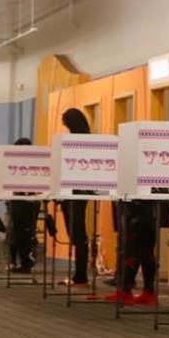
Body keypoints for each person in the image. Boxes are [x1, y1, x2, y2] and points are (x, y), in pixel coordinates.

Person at [60, 108, 92, 286]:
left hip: (75, 193)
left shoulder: (75, 142)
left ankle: (80, 274)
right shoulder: (85, 140)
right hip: (77, 192)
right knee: (77, 233)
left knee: (78, 233)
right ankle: (79, 273)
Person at [7, 137, 42, 274]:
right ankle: (24, 262)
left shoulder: (31, 164)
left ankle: (27, 262)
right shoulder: (29, 163)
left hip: (26, 203)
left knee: (24, 234)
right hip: (23, 202)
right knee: (19, 233)